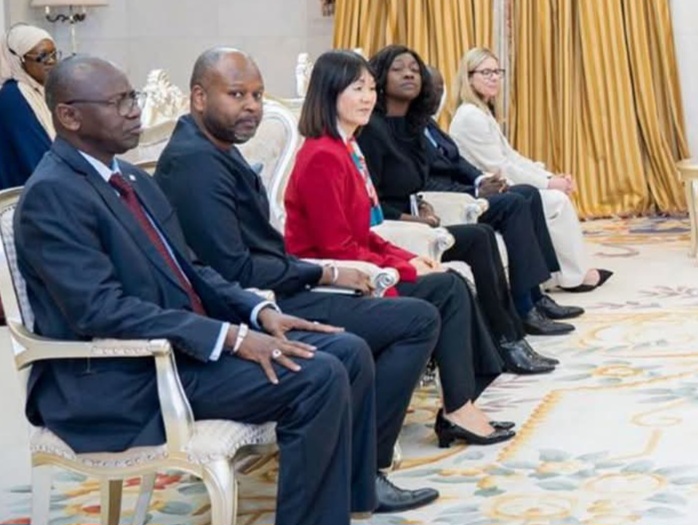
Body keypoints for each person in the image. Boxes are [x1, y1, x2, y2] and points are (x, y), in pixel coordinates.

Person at [16, 55, 375, 525]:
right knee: (317, 377)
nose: (134, 111)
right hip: (121, 376)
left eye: (132, 97)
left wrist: (257, 312)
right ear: (69, 115)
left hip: (179, 350)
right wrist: (231, 338)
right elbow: (101, 310)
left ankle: (348, 505)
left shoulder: (130, 177)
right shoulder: (53, 194)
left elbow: (192, 269)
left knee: (348, 350)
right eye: (118, 102)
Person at [155, 48, 441, 509]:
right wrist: (325, 271)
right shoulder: (195, 163)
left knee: (396, 324)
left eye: (257, 95)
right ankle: (365, 471)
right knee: (412, 321)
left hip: (271, 291)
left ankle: (361, 476)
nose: (251, 106)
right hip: (250, 305)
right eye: (237, 95)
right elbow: (233, 271)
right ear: (199, 97)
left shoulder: (214, 151)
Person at [283, 50, 530, 445]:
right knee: (448, 288)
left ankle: (461, 403)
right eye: (357, 89)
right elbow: (338, 248)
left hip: (357, 264)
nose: (368, 97)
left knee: (449, 281)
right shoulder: (322, 157)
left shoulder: (346, 148)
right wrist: (406, 269)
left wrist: (410, 257)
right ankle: (459, 407)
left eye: (370, 88)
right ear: (329, 93)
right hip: (331, 282)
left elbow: (364, 234)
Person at [356, 45, 575, 337]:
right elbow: (378, 196)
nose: (409, 74)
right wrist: (464, 196)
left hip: (428, 206)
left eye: (415, 70)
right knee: (507, 209)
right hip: (420, 212)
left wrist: (479, 182)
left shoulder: (414, 124)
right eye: (398, 69)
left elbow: (449, 165)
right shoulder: (373, 130)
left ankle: (528, 306)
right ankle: (517, 320)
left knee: (523, 196)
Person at [447, 46, 612, 291]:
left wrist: (549, 177)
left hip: (503, 185)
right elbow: (500, 168)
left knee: (555, 196)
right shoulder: (470, 116)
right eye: (486, 72)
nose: (494, 77)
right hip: (488, 192)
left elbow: (511, 156)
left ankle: (561, 274)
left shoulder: (482, 111)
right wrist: (549, 184)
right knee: (557, 201)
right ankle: (573, 277)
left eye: (497, 72)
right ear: (469, 78)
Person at [0, 24, 56, 187]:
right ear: (19, 59)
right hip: (29, 189)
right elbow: (36, 155)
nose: (51, 62)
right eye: (42, 56)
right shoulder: (12, 97)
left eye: (54, 54)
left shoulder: (41, 90)